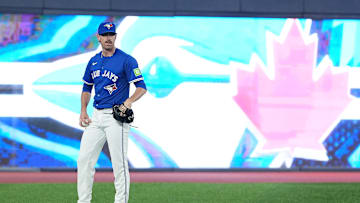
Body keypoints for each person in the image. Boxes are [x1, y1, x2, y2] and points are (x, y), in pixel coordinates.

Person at [77, 21, 147, 203]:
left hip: (116, 118)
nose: (109, 38)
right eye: (105, 35)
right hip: (96, 117)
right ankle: (83, 201)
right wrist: (83, 110)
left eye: (111, 34)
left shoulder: (127, 60)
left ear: (115, 36)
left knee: (119, 164)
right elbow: (87, 87)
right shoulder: (93, 61)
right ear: (98, 37)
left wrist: (129, 101)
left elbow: (141, 87)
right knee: (84, 161)